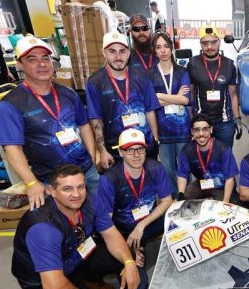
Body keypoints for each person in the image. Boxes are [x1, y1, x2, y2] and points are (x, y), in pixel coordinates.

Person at [11, 164, 143, 289]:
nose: (76, 194)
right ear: (52, 191)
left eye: (80, 187)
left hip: (75, 255)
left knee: (126, 253)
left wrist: (129, 263)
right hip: (45, 278)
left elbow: (112, 235)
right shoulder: (43, 228)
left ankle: (89, 280)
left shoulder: (91, 201)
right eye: (67, 189)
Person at [0, 37, 98, 208]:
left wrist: (92, 157)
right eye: (32, 59)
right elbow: (12, 148)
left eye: (45, 58)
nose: (42, 64)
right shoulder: (11, 104)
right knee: (65, 222)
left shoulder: (68, 93)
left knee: (98, 213)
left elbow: (83, 125)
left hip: (86, 173)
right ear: (20, 64)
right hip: (51, 183)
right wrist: (31, 182)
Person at [96, 129, 171, 287]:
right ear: (121, 152)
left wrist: (140, 226)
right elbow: (105, 224)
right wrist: (127, 252)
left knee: (178, 216)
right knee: (137, 288)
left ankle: (143, 243)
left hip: (147, 224)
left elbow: (167, 201)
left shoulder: (155, 168)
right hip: (123, 232)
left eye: (140, 149)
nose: (136, 155)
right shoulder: (109, 179)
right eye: (130, 150)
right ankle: (134, 248)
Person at [86, 31, 160, 169]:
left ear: (128, 53)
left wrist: (155, 140)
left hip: (145, 146)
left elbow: (150, 111)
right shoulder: (95, 82)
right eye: (112, 51)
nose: (118, 57)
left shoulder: (141, 76)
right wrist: (102, 151)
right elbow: (96, 120)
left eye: (122, 51)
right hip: (117, 150)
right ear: (104, 53)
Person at [148, 31, 193, 195]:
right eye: (158, 47)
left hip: (182, 130)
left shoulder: (182, 72)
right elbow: (150, 102)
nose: (163, 51)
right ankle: (175, 200)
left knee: (185, 169)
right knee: (168, 170)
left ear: (171, 48)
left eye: (166, 46)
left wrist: (160, 96)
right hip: (162, 132)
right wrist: (176, 97)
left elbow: (185, 100)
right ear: (154, 50)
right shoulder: (150, 74)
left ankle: (188, 198)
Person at [188, 26, 241, 148]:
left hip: (225, 122)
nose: (209, 47)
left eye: (213, 42)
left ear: (219, 42)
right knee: (204, 155)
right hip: (201, 122)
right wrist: (191, 120)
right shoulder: (193, 63)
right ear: (200, 44)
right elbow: (190, 93)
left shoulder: (229, 65)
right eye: (205, 43)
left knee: (225, 155)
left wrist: (237, 119)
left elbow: (233, 95)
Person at [176, 115, 239, 202]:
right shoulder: (187, 150)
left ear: (211, 130)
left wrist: (225, 202)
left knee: (220, 207)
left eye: (205, 129)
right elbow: (182, 175)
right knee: (186, 196)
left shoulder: (223, 149)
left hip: (222, 187)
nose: (201, 134)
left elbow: (230, 178)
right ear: (192, 132)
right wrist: (181, 194)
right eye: (197, 130)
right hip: (203, 184)